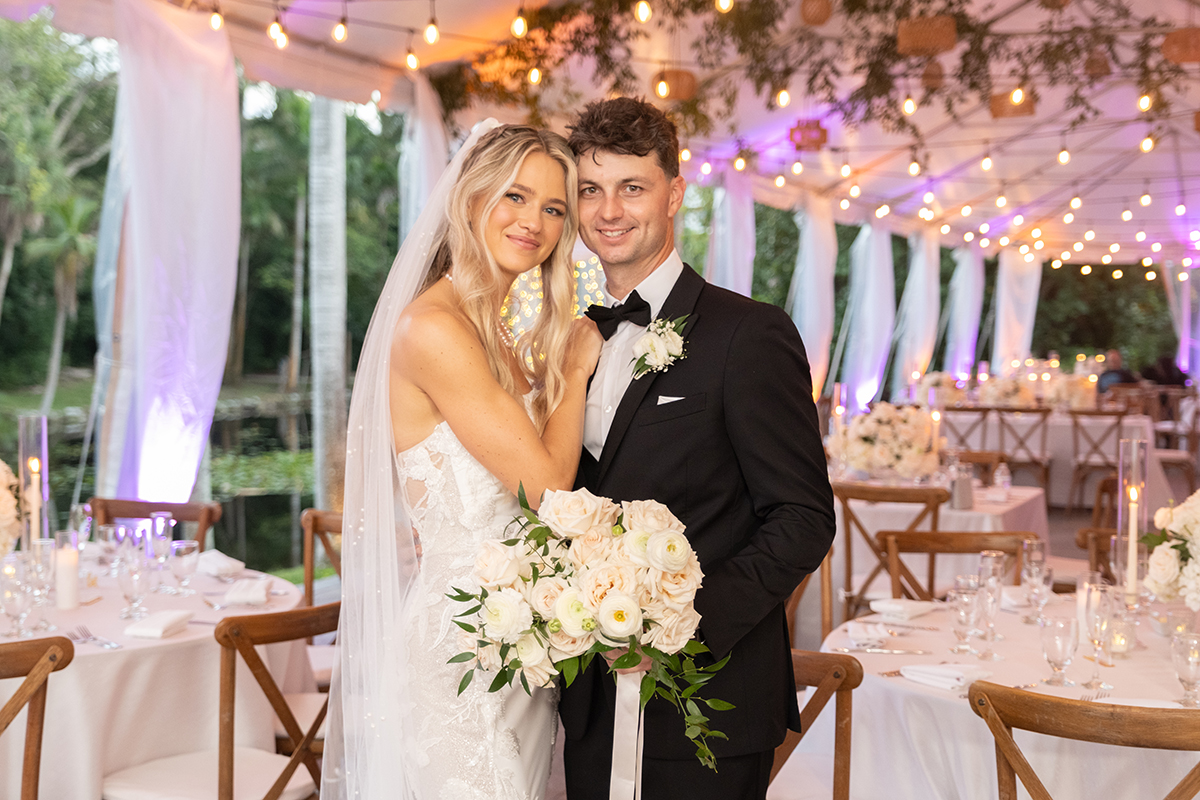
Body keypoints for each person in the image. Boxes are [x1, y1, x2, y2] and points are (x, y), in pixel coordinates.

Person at [558, 97, 836, 800]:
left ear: (675, 194)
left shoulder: (750, 334)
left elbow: (804, 517)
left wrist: (676, 626)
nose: (609, 210)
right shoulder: (573, 341)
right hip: (588, 701)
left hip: (706, 701)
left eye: (632, 187)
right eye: (591, 189)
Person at [321, 122, 603, 800]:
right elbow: (545, 489)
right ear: (470, 197)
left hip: (515, 647)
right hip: (461, 656)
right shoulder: (434, 329)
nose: (533, 221)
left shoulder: (496, 334)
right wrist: (573, 367)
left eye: (554, 208)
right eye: (515, 196)